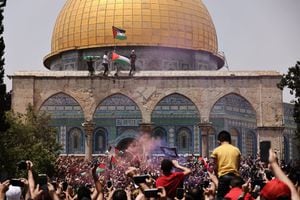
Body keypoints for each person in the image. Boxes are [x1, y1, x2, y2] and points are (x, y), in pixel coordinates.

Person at [210, 130, 241, 199]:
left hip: (223, 178)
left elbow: (215, 167)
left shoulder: (216, 150)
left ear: (219, 141)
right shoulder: (236, 150)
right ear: (229, 139)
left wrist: (217, 177)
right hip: (235, 179)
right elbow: (238, 166)